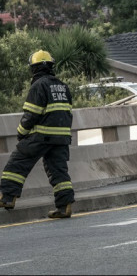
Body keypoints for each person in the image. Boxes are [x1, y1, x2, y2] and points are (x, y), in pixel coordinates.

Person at [0, 50, 76, 219]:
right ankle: (64, 207)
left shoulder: (38, 86)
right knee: (58, 171)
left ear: (33, 69)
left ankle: (7, 198)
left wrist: (21, 132)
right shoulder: (63, 86)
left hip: (41, 136)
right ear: (51, 66)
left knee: (18, 162)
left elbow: (31, 115)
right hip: (62, 137)